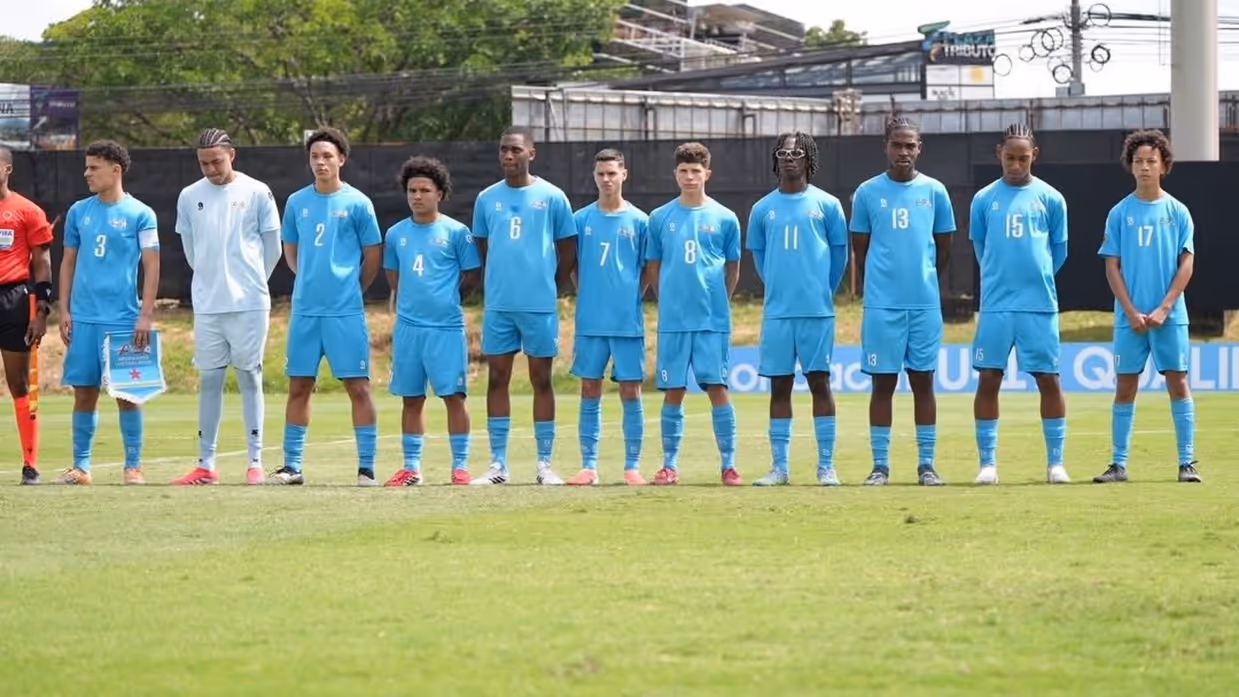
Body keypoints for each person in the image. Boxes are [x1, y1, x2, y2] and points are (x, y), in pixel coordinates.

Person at [264, 127, 383, 486]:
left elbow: (372, 255)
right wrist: (310, 282)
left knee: (358, 387)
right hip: (305, 311)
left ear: (341, 160)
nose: (321, 162)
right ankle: (292, 466)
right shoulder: (298, 202)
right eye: (315, 156)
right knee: (299, 385)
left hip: (344, 312)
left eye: (327, 156)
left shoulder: (358, 203)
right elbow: (291, 252)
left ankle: (366, 468)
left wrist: (351, 288)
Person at [171, 128, 282, 486]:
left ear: (231, 154)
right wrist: (210, 281)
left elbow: (272, 248)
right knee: (210, 380)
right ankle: (206, 464)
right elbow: (190, 250)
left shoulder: (257, 191)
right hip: (207, 306)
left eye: (216, 161)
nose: (211, 169)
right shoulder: (189, 196)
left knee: (250, 376)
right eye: (204, 163)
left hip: (249, 303)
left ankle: (254, 461)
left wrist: (250, 282)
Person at [849, 116, 955, 487]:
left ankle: (927, 465)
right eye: (898, 144)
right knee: (883, 384)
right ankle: (880, 466)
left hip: (924, 305)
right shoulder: (866, 193)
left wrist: (921, 280)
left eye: (910, 145)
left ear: (919, 148)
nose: (904, 152)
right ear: (886, 146)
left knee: (923, 382)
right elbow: (859, 250)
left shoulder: (936, 192)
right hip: (882, 306)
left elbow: (944, 250)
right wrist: (883, 284)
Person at [469, 126, 577, 486]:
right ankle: (498, 465)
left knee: (541, 380)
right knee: (496, 379)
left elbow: (568, 250)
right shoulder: (486, 199)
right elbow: (483, 247)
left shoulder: (553, 197)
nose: (507, 156)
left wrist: (548, 286)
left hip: (539, 305)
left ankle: (544, 464)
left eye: (515, 150)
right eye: (503, 150)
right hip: (499, 305)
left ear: (532, 152)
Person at [1094, 129, 1201, 484]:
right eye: (1138, 161)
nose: (1144, 167)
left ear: (1164, 166)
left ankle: (1187, 463)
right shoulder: (1119, 213)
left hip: (1169, 317)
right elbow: (1112, 265)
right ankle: (1118, 464)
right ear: (1130, 165)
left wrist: (1165, 308)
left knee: (1177, 382)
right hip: (1130, 318)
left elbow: (1186, 263)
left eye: (1150, 161)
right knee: (1125, 387)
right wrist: (1129, 310)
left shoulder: (1178, 212)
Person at [53, 140, 160, 485]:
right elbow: (67, 262)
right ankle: (81, 467)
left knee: (128, 396)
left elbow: (152, 265)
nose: (87, 173)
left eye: (93, 167)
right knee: (84, 391)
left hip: (123, 319)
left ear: (116, 170)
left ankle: (133, 466)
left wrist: (145, 314)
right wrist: (64, 310)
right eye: (86, 167)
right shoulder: (78, 212)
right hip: (83, 319)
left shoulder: (141, 214)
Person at [970, 124, 1071, 485]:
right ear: (999, 152)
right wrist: (1002, 278)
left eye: (1022, 158)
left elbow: (1058, 252)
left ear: (1034, 156)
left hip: (1038, 304)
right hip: (997, 305)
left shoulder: (1051, 199)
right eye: (1010, 157)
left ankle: (1055, 463)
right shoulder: (983, 199)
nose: (1015, 164)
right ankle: (987, 465)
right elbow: (981, 248)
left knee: (1048, 379)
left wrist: (1034, 277)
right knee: (989, 377)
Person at [746, 132, 849, 487]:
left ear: (809, 159)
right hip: (777, 312)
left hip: (816, 311)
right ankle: (779, 468)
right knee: (779, 387)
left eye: (797, 152)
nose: (790, 157)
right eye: (783, 153)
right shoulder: (762, 209)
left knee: (820, 383)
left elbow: (839, 256)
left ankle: (826, 466)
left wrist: (821, 290)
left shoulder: (828, 205)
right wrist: (779, 286)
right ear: (776, 160)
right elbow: (759, 258)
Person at [645, 142, 743, 486]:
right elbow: (654, 267)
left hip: (712, 320)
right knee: (674, 391)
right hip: (673, 322)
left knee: (717, 386)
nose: (689, 177)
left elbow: (733, 268)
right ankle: (669, 465)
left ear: (707, 174)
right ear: (675, 174)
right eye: (683, 171)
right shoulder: (659, 218)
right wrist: (667, 300)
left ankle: (729, 465)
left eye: (695, 171)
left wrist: (719, 301)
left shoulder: (725, 217)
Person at [382, 156, 480, 486]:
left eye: (425, 190)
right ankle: (412, 468)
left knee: (454, 395)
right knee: (411, 398)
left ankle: (460, 467)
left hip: (446, 328)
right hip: (408, 328)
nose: (417, 196)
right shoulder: (396, 234)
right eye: (412, 190)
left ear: (440, 193)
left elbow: (470, 275)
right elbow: (394, 277)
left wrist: (446, 301)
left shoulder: (456, 232)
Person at [566, 148, 649, 486]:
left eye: (612, 173)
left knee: (631, 390)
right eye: (601, 173)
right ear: (594, 175)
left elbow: (647, 269)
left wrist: (630, 297)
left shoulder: (642, 221)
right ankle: (589, 466)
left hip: (627, 322)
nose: (606, 179)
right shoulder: (580, 219)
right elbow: (573, 266)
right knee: (589, 388)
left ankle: (632, 466)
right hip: (590, 322)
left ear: (624, 175)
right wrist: (588, 294)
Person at [0, 146, 53, 485]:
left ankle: (30, 463)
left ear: (6, 169)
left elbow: (42, 262)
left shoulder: (27, 211)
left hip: (13, 298)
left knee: (18, 382)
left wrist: (42, 311)